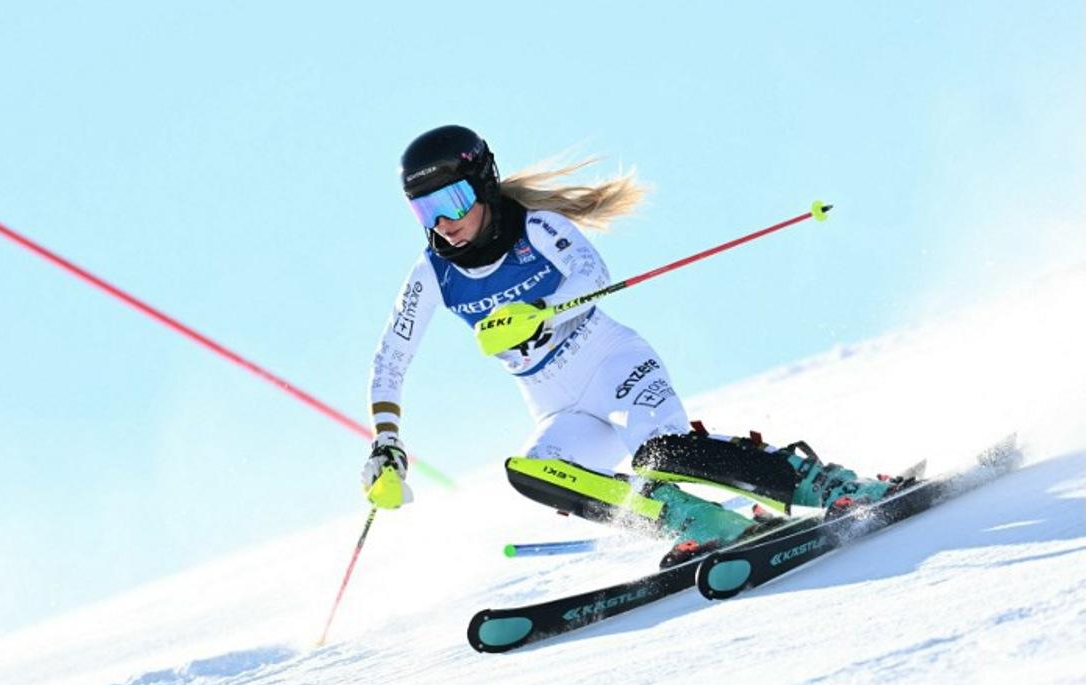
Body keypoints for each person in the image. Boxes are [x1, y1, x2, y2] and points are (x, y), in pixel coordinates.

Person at [361, 125, 898, 565]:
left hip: (612, 363)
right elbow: (391, 359)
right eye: (425, 212)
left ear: (482, 184)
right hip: (556, 404)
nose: (445, 224)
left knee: (661, 453)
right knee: (535, 469)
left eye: (451, 201)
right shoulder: (432, 272)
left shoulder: (537, 227)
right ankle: (701, 522)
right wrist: (386, 444)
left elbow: (591, 272)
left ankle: (828, 486)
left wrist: (542, 314)